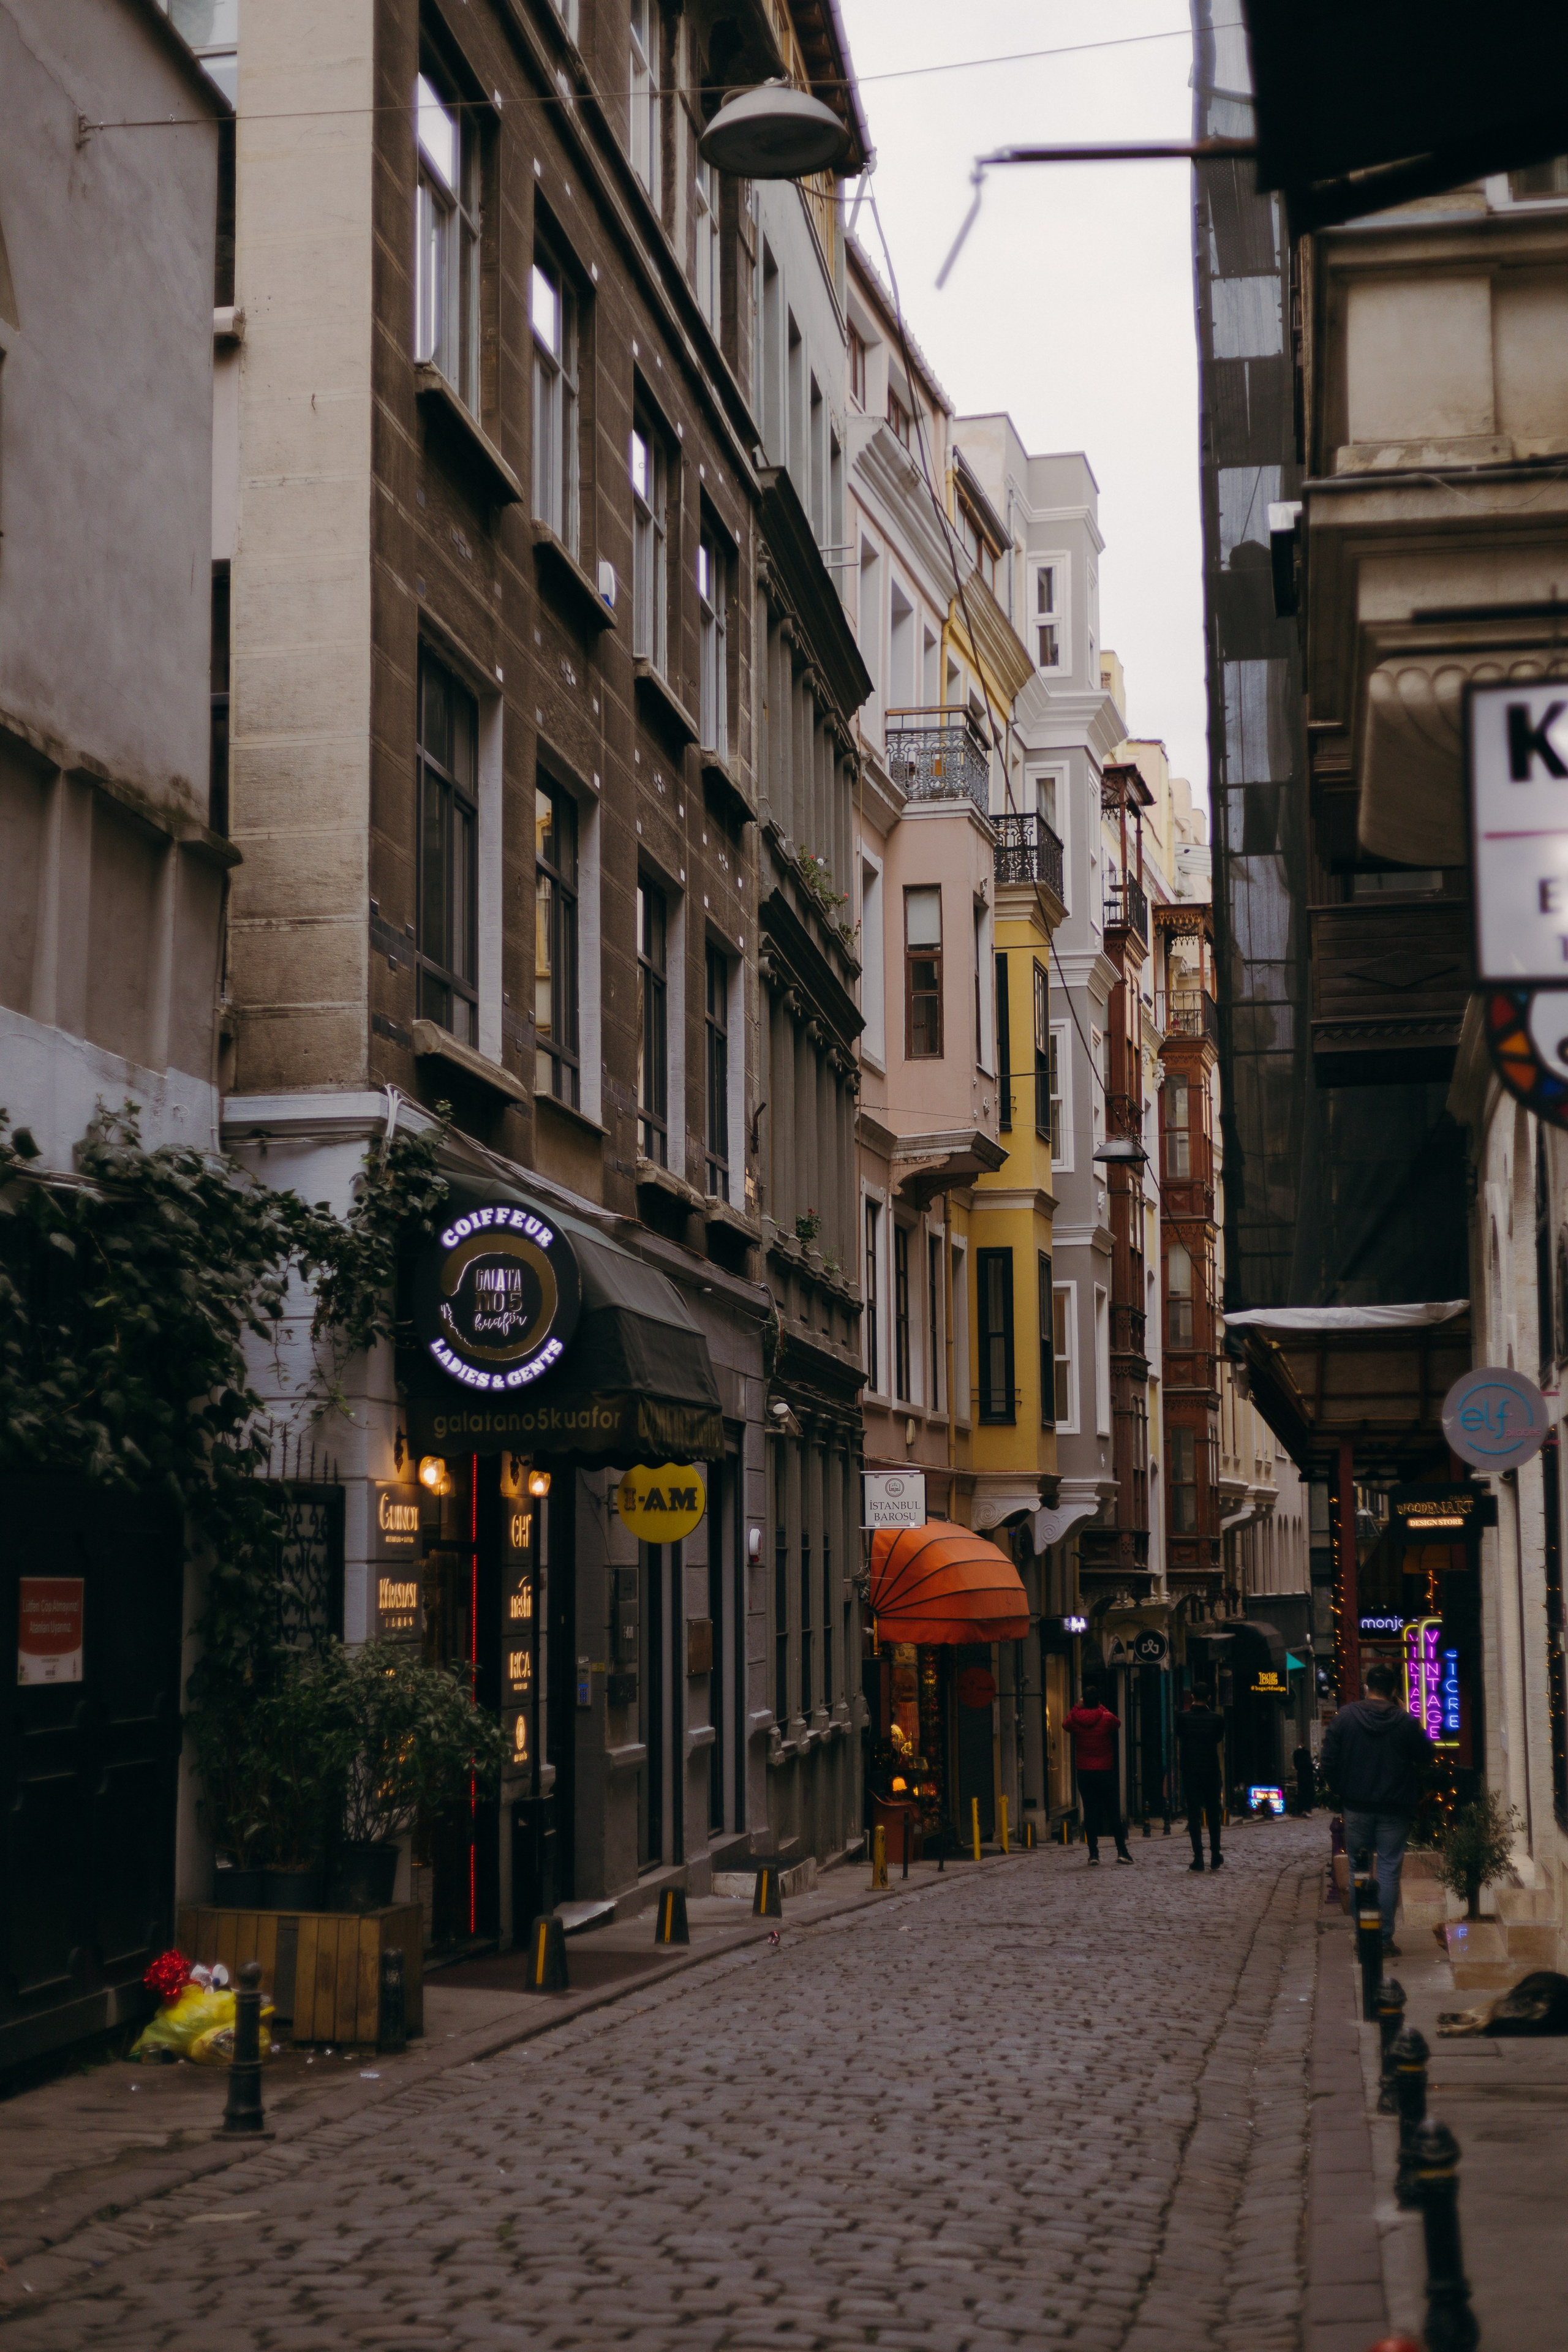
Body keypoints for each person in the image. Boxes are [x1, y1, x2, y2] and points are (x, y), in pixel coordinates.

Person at [1319, 1660, 1433, 1954]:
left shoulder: (1345, 1717)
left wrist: (1341, 1790)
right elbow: (1426, 1755)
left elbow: (1329, 1761)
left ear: (1367, 1687)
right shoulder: (1404, 1722)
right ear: (1394, 1690)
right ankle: (1382, 1938)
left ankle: (1364, 1934)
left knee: (1359, 1870)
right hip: (1395, 1806)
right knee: (1388, 1869)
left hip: (1357, 1805)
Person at [1066, 1684, 1131, 1864]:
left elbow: (1066, 1723)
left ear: (1084, 1701)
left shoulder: (1076, 1719)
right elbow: (1117, 1722)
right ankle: (1122, 1851)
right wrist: (1100, 1707)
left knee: (1090, 1812)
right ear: (1099, 1701)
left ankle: (1094, 1854)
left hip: (1084, 1772)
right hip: (1105, 1771)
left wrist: (1078, 1707)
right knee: (1113, 1812)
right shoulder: (1106, 1717)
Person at [1175, 1687, 1226, 1871]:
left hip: (1190, 1771)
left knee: (1194, 1816)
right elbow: (1218, 1739)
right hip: (1211, 1770)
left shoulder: (1182, 1717)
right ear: (1210, 1697)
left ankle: (1198, 1857)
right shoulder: (1217, 1719)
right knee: (1214, 1814)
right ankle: (1215, 1854)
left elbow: (1180, 1736)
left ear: (1193, 1696)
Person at [1292, 1740, 1316, 1817]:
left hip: (1301, 1776)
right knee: (1307, 1793)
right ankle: (1306, 1809)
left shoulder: (1296, 1753)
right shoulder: (1306, 1753)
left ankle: (1301, 1810)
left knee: (1302, 1793)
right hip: (1307, 1777)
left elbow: (1296, 1765)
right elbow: (1308, 1764)